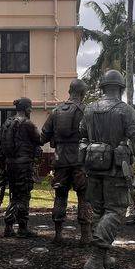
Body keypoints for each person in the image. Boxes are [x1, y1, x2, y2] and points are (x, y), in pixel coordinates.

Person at [80, 69, 135, 269]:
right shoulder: (125, 110)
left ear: (102, 87)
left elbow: (82, 136)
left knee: (100, 210)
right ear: (120, 88)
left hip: (93, 168)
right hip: (115, 171)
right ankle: (95, 259)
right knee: (116, 211)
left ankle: (104, 257)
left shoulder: (89, 109)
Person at [41, 78, 92, 245]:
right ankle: (85, 236)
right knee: (84, 197)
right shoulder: (86, 111)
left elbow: (44, 136)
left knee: (60, 196)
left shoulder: (56, 111)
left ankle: (58, 235)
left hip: (60, 160)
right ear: (82, 93)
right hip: (81, 161)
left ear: (70, 91)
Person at [0, 97, 42, 238]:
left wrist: (2, 167)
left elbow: (0, 147)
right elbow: (39, 139)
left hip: (10, 165)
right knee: (23, 196)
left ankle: (11, 227)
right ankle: (20, 227)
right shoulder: (27, 123)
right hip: (24, 166)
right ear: (27, 108)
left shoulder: (7, 123)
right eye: (30, 107)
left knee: (14, 195)